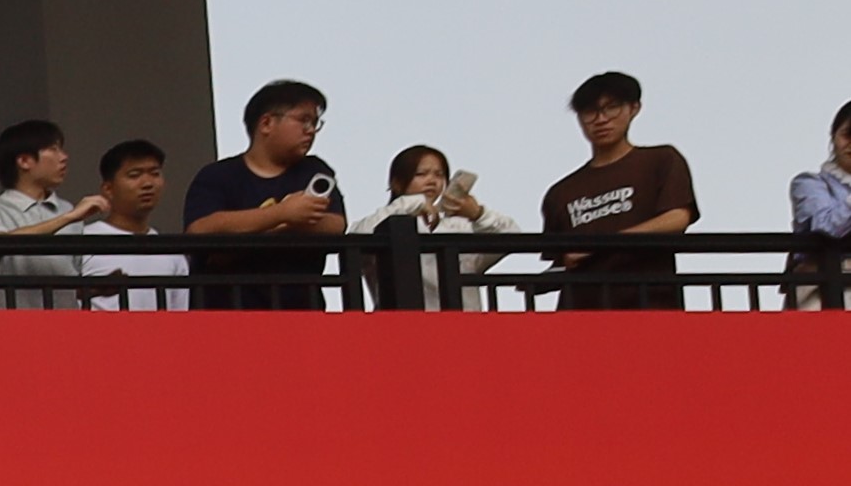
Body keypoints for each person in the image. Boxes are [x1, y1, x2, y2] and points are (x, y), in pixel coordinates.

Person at [179, 78, 353, 307]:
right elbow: (201, 229)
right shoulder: (218, 175)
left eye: (315, 122)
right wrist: (282, 213)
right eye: (303, 120)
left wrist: (274, 226)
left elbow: (335, 224)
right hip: (227, 313)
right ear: (266, 123)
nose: (310, 130)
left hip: (300, 312)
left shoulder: (313, 171)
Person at [542, 72, 700, 307]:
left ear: (634, 108)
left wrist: (604, 244)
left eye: (612, 108)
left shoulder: (661, 160)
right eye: (590, 112)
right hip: (581, 311)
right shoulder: (561, 193)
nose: (601, 119)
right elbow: (561, 259)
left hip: (649, 304)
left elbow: (677, 218)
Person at [0, 119, 99, 295]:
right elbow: (0, 244)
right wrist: (69, 218)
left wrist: (97, 288)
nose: (64, 157)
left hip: (64, 313)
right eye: (53, 149)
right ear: (24, 161)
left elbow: (70, 282)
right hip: (12, 313)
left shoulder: (66, 209)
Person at [369, 144, 508, 310]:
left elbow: (510, 237)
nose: (432, 181)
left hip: (463, 323)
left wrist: (478, 214)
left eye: (439, 174)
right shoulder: (382, 220)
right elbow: (358, 236)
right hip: (401, 323)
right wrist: (412, 203)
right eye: (421, 174)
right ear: (396, 183)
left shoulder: (457, 226)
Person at [55, 141, 186, 296]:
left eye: (155, 174)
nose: (147, 183)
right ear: (108, 189)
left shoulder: (171, 252)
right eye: (134, 175)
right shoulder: (83, 241)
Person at [791, 101, 851, 309]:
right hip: (825, 289)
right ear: (833, 137)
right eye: (847, 135)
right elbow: (825, 227)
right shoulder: (810, 183)